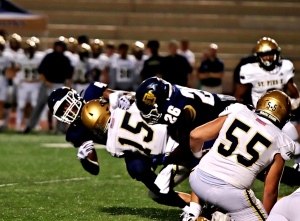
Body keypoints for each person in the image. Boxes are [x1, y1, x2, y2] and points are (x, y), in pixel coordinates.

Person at [47, 83, 192, 214]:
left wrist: (127, 99)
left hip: (144, 122)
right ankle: (190, 206)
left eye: (66, 104)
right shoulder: (75, 133)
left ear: (73, 95)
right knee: (141, 173)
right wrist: (85, 160)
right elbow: (95, 169)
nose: (67, 110)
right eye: (62, 110)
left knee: (177, 137)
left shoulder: (93, 92)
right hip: (130, 147)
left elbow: (127, 96)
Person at [188, 90, 295, 220]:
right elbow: (269, 192)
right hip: (231, 195)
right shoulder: (281, 141)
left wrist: (198, 156)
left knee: (207, 157)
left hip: (197, 181)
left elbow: (195, 135)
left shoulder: (238, 110)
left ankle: (192, 213)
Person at [234, 37, 300, 166]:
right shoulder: (251, 70)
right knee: (253, 147)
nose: (268, 58)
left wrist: (293, 102)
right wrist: (246, 112)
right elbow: (238, 95)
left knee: (294, 139)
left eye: (270, 54)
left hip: (279, 115)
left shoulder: (284, 67)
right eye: (264, 55)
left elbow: (294, 93)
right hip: (260, 116)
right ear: (258, 56)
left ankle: (298, 166)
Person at [23, 40, 73, 133]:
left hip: (60, 85)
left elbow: (69, 75)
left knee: (60, 107)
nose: (59, 48)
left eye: (60, 47)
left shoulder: (65, 59)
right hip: (47, 84)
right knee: (39, 105)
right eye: (57, 46)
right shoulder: (49, 57)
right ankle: (30, 126)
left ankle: (61, 128)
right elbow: (41, 70)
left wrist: (67, 86)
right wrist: (45, 81)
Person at [14, 39, 45, 131]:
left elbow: (43, 70)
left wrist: (41, 80)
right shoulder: (20, 58)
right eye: (27, 49)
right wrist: (17, 81)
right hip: (24, 83)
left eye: (31, 49)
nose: (29, 51)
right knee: (21, 105)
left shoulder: (40, 57)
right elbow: (16, 70)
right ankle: (18, 124)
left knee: (35, 105)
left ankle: (35, 124)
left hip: (35, 83)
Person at [0, 36, 14, 131]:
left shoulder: (7, 56)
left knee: (1, 102)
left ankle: (1, 123)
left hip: (2, 79)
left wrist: (10, 83)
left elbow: (10, 71)